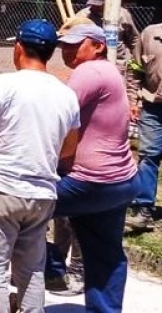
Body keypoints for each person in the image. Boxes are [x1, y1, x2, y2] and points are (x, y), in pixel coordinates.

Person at [0, 19, 81, 313]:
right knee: (31, 271)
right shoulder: (66, 94)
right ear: (51, 52)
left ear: (18, 48)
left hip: (1, 190)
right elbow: (71, 146)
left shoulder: (6, 83)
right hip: (41, 195)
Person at [45, 23, 138, 313]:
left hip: (89, 182)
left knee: (12, 210)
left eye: (76, 44)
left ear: (98, 46)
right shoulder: (109, 72)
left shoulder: (90, 71)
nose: (67, 51)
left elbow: (55, 115)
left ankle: (52, 271)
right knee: (106, 254)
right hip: (120, 181)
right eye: (64, 46)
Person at [128, 20, 162, 231]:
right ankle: (144, 210)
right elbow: (135, 68)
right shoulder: (150, 34)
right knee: (148, 156)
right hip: (153, 107)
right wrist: (133, 99)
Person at [63, 0, 139, 68]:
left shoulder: (122, 15)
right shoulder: (83, 16)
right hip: (89, 65)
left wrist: (136, 63)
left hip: (117, 65)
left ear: (108, 3)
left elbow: (134, 40)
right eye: (93, 4)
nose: (94, 7)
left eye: (99, 5)